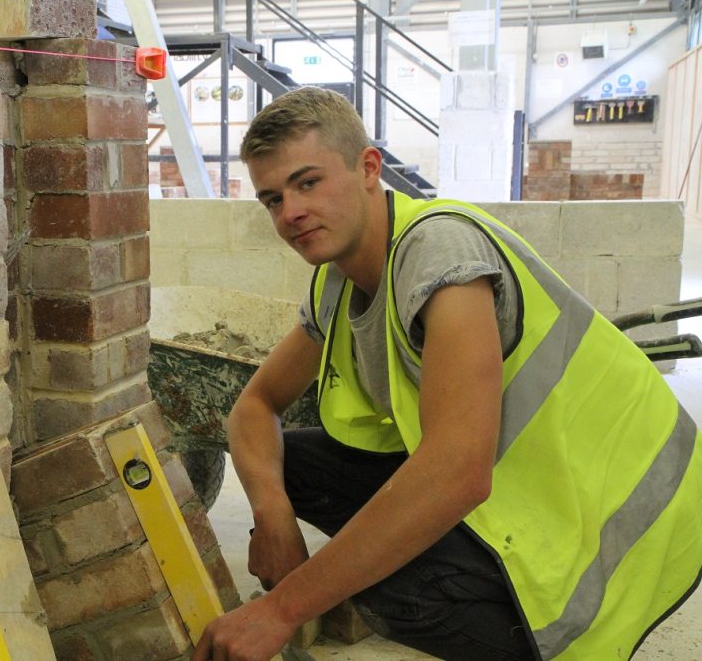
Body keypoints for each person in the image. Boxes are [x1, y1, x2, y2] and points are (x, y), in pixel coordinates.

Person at [191, 86, 702, 661]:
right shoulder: (335, 282)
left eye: (308, 183)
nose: (290, 213)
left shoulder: (439, 253)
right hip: (522, 489)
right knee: (296, 467)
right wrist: (272, 517)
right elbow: (254, 408)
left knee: (387, 588)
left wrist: (279, 611)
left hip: (614, 520)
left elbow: (458, 474)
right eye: (272, 199)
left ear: (368, 168)